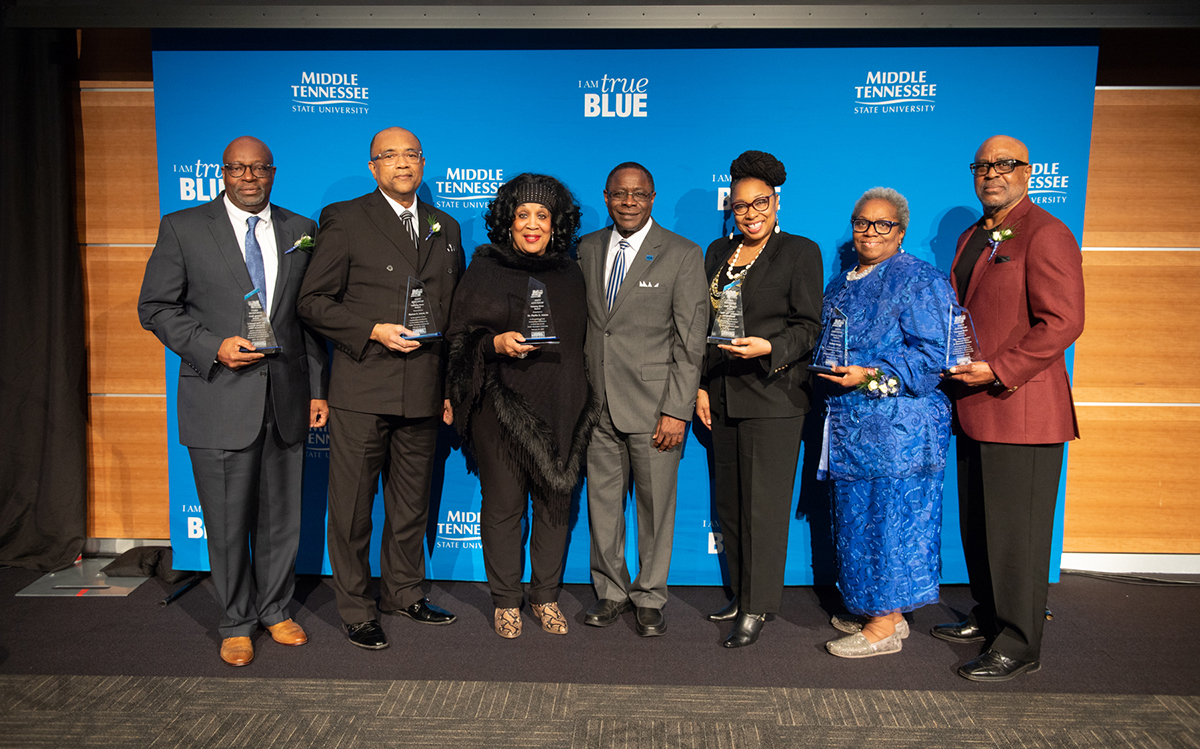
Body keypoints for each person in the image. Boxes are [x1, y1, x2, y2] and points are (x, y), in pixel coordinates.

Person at [138, 136, 328, 666]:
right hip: (219, 396)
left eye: (258, 168)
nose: (248, 176)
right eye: (236, 168)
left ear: (273, 172)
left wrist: (318, 389)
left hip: (287, 398)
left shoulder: (301, 231)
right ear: (222, 172)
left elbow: (308, 319)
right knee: (225, 522)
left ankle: (275, 610)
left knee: (281, 519)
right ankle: (236, 621)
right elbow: (155, 306)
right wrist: (211, 346)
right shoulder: (183, 228)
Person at [297, 127, 464, 650]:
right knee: (351, 507)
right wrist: (371, 329)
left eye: (411, 154)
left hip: (423, 389)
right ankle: (355, 607)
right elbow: (313, 301)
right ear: (373, 167)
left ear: (423, 162)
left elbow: (453, 315)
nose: (402, 163)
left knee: (411, 504)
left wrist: (449, 387)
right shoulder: (345, 218)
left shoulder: (447, 226)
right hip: (363, 386)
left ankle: (404, 592)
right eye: (389, 156)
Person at [939, 134, 1085, 681]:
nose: (992, 174)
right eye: (983, 165)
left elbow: (1064, 321)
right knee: (981, 528)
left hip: (1020, 408)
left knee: (1016, 537)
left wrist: (1000, 369)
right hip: (974, 405)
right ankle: (989, 616)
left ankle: (1021, 644)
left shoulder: (1046, 233)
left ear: (1029, 171)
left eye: (1005, 165)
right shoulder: (972, 234)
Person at [445, 173, 599, 638]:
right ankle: (507, 600)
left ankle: (545, 597)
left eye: (542, 216)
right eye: (522, 216)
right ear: (508, 222)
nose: (532, 226)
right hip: (500, 409)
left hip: (563, 403)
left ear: (557, 224)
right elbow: (458, 339)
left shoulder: (572, 273)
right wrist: (494, 344)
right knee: (503, 508)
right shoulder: (486, 269)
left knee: (555, 506)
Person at [814, 187, 954, 658]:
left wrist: (871, 373)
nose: (870, 233)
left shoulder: (919, 280)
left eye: (882, 225)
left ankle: (884, 626)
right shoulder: (842, 281)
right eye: (861, 223)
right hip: (850, 427)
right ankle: (881, 610)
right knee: (859, 521)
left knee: (889, 521)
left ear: (901, 231)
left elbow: (935, 356)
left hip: (899, 431)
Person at [695, 150, 823, 648]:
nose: (750, 213)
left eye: (760, 203)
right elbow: (703, 326)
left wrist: (771, 347)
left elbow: (809, 326)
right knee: (730, 504)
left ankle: (758, 605)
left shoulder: (799, 252)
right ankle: (740, 591)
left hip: (774, 396)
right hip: (723, 394)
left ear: (776, 203)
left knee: (765, 508)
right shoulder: (715, 252)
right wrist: (702, 386)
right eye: (741, 205)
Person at [577, 163, 708, 637]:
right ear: (607, 196)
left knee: (656, 510)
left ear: (653, 197)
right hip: (597, 406)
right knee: (604, 507)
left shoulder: (681, 253)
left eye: (638, 194)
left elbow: (690, 341)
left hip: (656, 408)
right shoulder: (588, 248)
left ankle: (650, 596)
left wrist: (678, 408)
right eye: (619, 194)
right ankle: (611, 592)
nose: (628, 202)